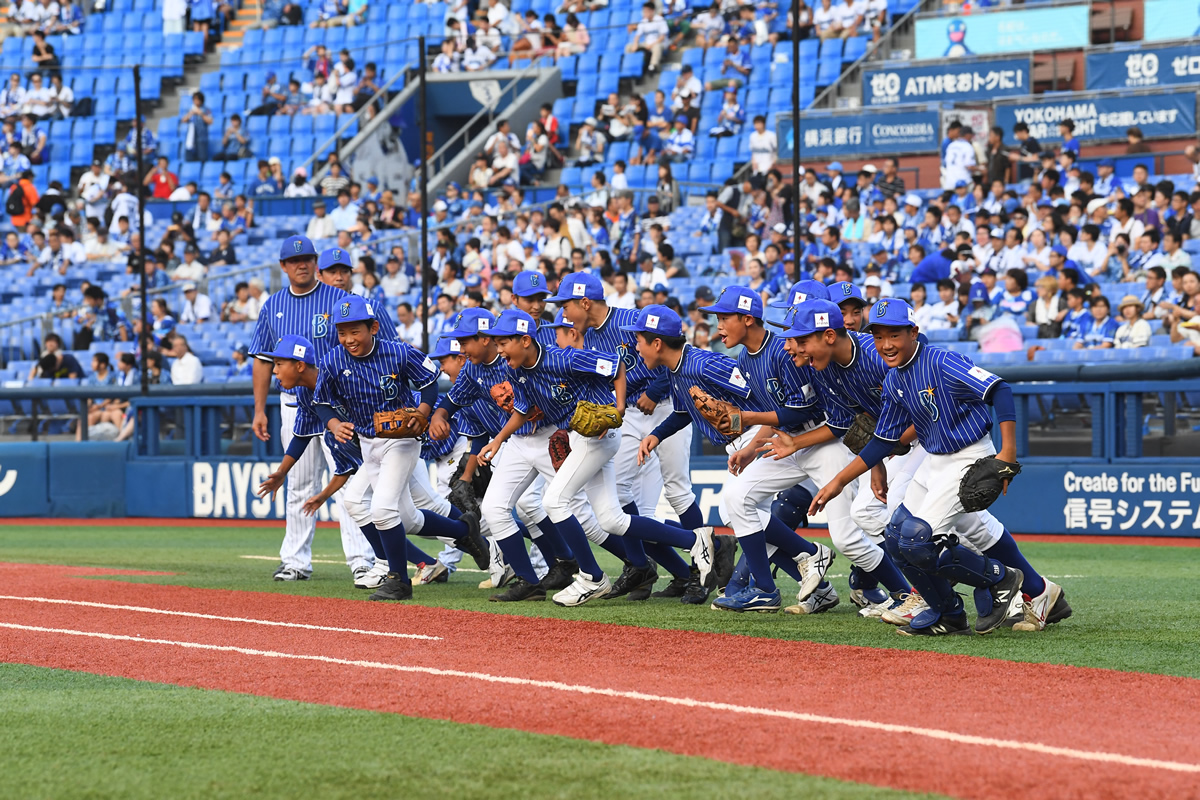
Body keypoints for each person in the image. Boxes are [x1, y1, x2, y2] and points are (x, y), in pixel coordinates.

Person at [810, 298, 1069, 634]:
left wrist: (1008, 453)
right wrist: (838, 482)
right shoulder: (895, 379)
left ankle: (1000, 579)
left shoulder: (942, 361)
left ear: (913, 332)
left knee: (918, 541)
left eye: (894, 334)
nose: (886, 344)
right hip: (933, 459)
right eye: (878, 336)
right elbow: (884, 440)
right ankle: (950, 613)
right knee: (896, 536)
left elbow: (999, 389)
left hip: (968, 455)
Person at [313, 295, 485, 601]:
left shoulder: (397, 351)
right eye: (342, 332)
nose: (349, 339)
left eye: (355, 331)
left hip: (402, 439)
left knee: (382, 510)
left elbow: (429, 381)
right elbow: (321, 402)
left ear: (373, 327)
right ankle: (464, 531)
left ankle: (398, 579)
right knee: (404, 517)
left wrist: (423, 412)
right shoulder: (332, 360)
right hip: (367, 443)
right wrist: (334, 424)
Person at [626, 1, 668, 73]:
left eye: (646, 11)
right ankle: (629, 66)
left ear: (652, 11)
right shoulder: (643, 21)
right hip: (646, 43)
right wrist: (635, 44)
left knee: (657, 47)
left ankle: (652, 66)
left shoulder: (660, 20)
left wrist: (651, 45)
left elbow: (662, 37)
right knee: (628, 47)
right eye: (644, 11)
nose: (644, 13)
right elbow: (637, 35)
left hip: (657, 42)